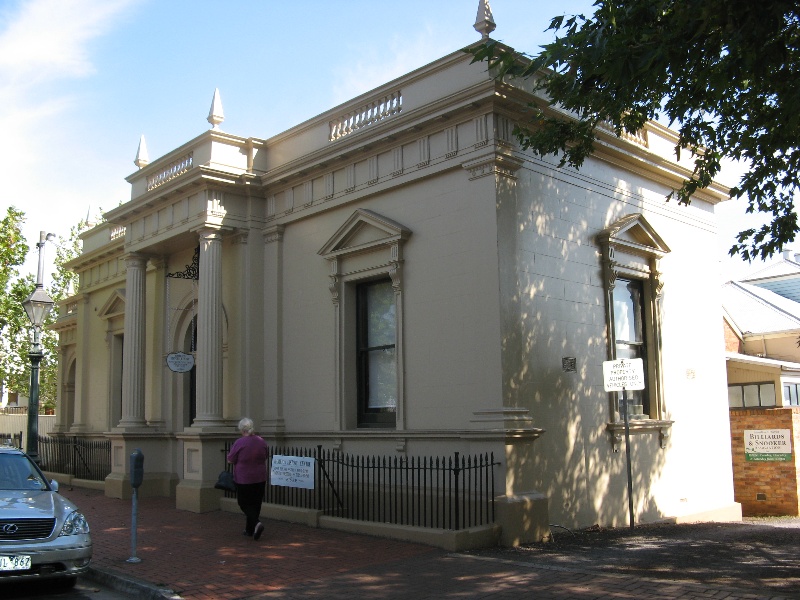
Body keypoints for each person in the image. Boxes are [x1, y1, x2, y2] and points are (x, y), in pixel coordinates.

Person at [227, 417, 268, 540]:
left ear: (242, 429)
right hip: (260, 477)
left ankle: (256, 523)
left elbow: (230, 459)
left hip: (244, 478)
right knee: (256, 503)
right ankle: (249, 530)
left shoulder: (240, 442)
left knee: (244, 503)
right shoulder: (261, 441)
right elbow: (265, 456)